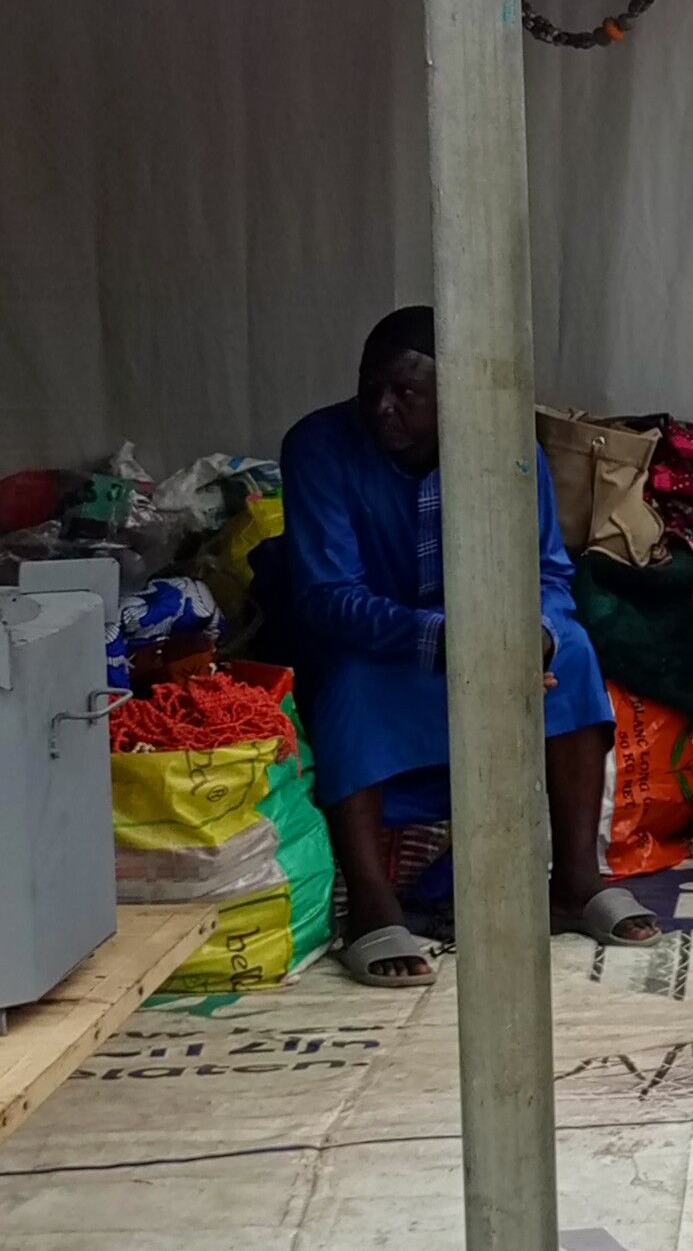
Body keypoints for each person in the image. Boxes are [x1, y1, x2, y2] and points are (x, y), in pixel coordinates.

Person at [279, 307, 659, 984]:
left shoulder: (508, 448)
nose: (382, 407)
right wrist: (446, 638)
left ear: (454, 399)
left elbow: (546, 572)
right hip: (379, 642)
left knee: (571, 653)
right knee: (348, 679)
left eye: (407, 393)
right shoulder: (318, 444)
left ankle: (573, 878)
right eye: (372, 386)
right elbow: (327, 594)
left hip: (479, 642)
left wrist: (531, 635)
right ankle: (372, 903)